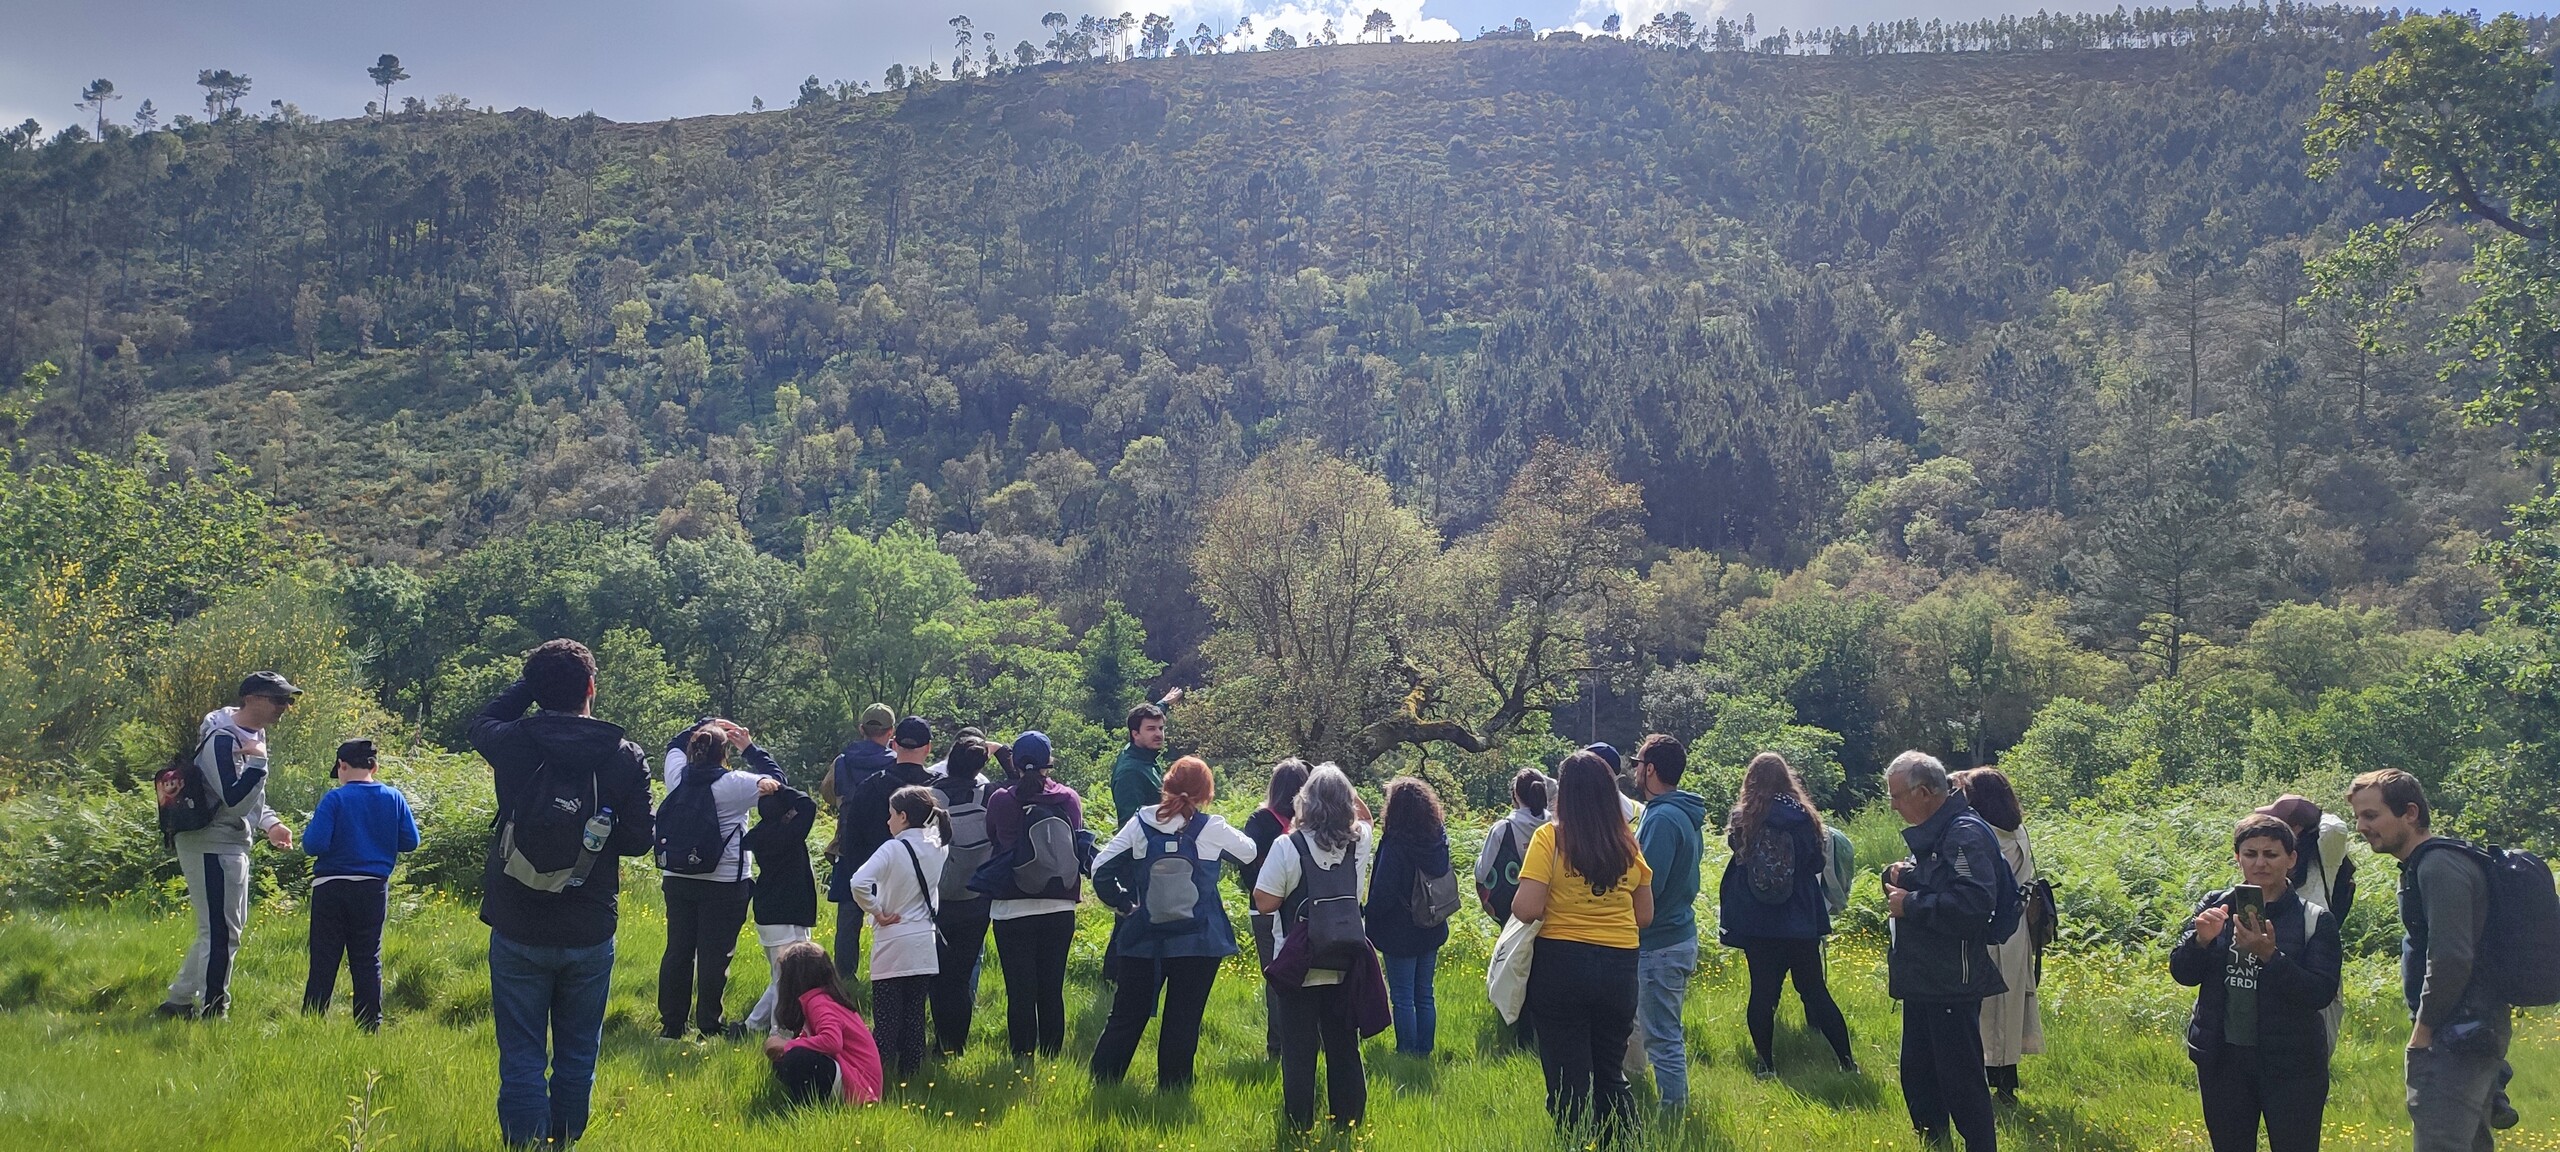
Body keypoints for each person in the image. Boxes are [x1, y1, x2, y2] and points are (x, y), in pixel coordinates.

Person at [469, 639, 655, 1148]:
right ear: (591, 686)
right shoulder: (623, 754)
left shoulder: (513, 741)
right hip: (588, 924)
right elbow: (639, 841)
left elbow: (481, 721)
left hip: (517, 921)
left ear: (536, 690)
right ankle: (564, 1142)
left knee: (521, 1055)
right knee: (577, 1054)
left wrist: (530, 686)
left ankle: (526, 1145)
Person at [2350, 768, 2518, 1150]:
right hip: (2469, 1027)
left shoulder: (2438, 865)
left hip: (2455, 1034)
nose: (2361, 827)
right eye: (2358, 817)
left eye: (2371, 815)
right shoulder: (2434, 861)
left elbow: (2451, 958)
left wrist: (2423, 1031)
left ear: (2410, 813)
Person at [2170, 813, 2345, 1152]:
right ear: (2238, 858)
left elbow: (2319, 993)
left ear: (2291, 859)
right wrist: (2200, 941)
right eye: (2250, 854)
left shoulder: (2314, 919)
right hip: (2223, 1060)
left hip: (2292, 1064)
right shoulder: (2216, 905)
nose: (2260, 863)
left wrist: (2270, 956)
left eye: (2271, 854)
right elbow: (2183, 973)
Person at [1512, 749, 1655, 1139]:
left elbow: (1526, 908)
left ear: (1565, 793)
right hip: (1619, 967)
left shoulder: (1550, 838)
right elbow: (1644, 916)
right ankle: (1622, 1143)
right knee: (1611, 1072)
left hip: (1562, 964)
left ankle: (1575, 1142)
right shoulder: (1629, 846)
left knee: (1568, 1078)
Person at [1091, 755, 1257, 1089]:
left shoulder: (1140, 822)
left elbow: (1100, 870)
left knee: (1126, 1015)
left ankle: (1104, 1084)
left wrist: (1124, 903)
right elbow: (1250, 852)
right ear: (1206, 792)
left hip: (1144, 935)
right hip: (1199, 939)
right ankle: (1173, 1089)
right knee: (1184, 1019)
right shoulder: (1212, 828)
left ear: (1165, 785)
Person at [156, 671, 301, 1021]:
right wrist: (259, 763)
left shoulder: (253, 735)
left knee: (222, 929)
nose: (284, 706)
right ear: (251, 698)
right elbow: (234, 800)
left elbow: (249, 798)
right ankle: (213, 1011)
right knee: (222, 933)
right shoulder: (223, 738)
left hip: (227, 842)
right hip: (212, 843)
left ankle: (178, 1002)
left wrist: (270, 823)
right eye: (278, 699)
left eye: (288, 700)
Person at [1882, 750, 2006, 1152]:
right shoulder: (1940, 828)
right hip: (1927, 976)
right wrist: (1905, 876)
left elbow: (1973, 903)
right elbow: (1941, 878)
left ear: (1923, 792)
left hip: (1952, 979)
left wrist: (1911, 904)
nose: (1893, 806)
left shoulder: (1963, 832)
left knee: (1961, 1083)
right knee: (1919, 1077)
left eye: (1896, 796)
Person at [1718, 752, 1856, 1078]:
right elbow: (1816, 863)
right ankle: (1848, 1062)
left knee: (1763, 994)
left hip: (1758, 921)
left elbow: (1737, 856)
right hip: (1799, 920)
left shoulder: (1744, 817)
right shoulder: (1804, 816)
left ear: (1751, 780)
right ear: (1786, 779)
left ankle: (1766, 1065)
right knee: (1815, 991)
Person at [1253, 763, 1374, 1131]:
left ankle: (1299, 1124)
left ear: (1304, 801)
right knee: (1344, 1045)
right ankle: (1348, 1121)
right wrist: (1342, 786)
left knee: (1298, 1050)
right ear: (1347, 803)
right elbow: (1366, 817)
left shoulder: (1287, 846)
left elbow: (1264, 902)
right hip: (1346, 956)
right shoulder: (1360, 841)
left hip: (1298, 962)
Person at [657, 721, 783, 1041]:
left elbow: (674, 744)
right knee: (714, 956)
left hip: (677, 876)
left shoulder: (676, 776)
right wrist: (749, 748)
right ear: (724, 753)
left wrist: (704, 723)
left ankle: (672, 1026)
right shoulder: (735, 784)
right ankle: (709, 1027)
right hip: (725, 881)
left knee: (677, 951)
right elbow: (779, 784)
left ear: (692, 748)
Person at [975, 731, 1091, 1058]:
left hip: (1012, 906)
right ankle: (1052, 1057)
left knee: (1020, 990)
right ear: (1048, 761)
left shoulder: (1001, 799)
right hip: (1060, 903)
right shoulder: (1068, 798)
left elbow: (993, 836)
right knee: (1051, 988)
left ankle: (1022, 1057)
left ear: (1013, 761)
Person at [300, 738, 419, 1031]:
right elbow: (410, 842)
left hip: (330, 886)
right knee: (367, 958)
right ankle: (369, 1026)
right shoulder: (393, 797)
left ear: (341, 766)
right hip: (372, 888)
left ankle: (311, 1023)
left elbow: (314, 844)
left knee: (324, 957)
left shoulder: (335, 799)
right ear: (374, 767)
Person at [848, 784, 950, 1082]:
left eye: (891, 814)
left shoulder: (892, 848)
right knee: (915, 1016)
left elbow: (858, 882)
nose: (888, 820)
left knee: (887, 1019)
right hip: (924, 942)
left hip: (893, 940)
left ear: (903, 817)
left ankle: (875, 1077)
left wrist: (877, 911)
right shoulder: (939, 846)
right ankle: (911, 1075)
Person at [1955, 767, 2043, 1103]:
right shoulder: (2019, 832)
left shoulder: (1980, 836)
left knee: (1984, 1009)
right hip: (2016, 928)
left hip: (1988, 926)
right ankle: (2006, 1084)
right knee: (2008, 1007)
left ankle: (1982, 1080)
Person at [1630, 735, 1707, 1109]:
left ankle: (1674, 1112)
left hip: (1660, 942)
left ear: (1650, 770)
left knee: (1662, 1036)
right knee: (1655, 1029)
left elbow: (1650, 886)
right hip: (1675, 935)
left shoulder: (1662, 818)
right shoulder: (1679, 811)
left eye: (1638, 763)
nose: (1634, 770)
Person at [837, 716, 937, 976]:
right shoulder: (936, 788)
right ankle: (924, 981)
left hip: (874, 874)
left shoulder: (870, 786)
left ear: (894, 744)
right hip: (922, 881)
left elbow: (852, 838)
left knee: (849, 921)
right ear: (928, 748)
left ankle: (845, 980)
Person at [1364, 776, 1453, 1058]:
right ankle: (1424, 1051)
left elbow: (1384, 892)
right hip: (1432, 923)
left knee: (1403, 997)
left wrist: (1367, 913)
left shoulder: (1395, 844)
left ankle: (1406, 1052)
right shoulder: (1438, 839)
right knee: (1424, 993)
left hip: (1399, 931)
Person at [927, 735, 996, 1055]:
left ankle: (939, 1040)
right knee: (961, 974)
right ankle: (956, 1045)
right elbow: (1018, 780)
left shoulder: (932, 796)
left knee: (937, 974)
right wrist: (1002, 753)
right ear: (979, 767)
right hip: (977, 898)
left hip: (939, 898)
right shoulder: (990, 795)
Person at [742, 753, 820, 1037]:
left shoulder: (761, 834)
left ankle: (753, 1026)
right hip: (788, 911)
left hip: (769, 909)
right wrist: (780, 788)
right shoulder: (790, 834)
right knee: (788, 979)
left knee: (781, 976)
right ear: (786, 814)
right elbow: (807, 803)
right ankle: (779, 1034)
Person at [1239, 757, 1308, 1058]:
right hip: (1302, 910)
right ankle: (1309, 1040)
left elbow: (1246, 864)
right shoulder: (1312, 824)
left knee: (1275, 977)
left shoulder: (1258, 820)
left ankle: (1277, 1046)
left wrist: (1263, 890)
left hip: (1264, 910)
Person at [1478, 768, 1551, 1049]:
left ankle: (1516, 1027)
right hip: (1548, 908)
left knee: (1514, 964)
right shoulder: (1554, 825)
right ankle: (1540, 1031)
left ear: (1516, 795)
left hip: (1511, 910)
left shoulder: (1503, 828)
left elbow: (1483, 871)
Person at [764, 941, 886, 1107]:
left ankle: (808, 1105)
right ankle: (808, 1103)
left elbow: (832, 1041)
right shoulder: (820, 999)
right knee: (784, 1060)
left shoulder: (819, 1003)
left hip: (859, 1084)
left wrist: (787, 1045)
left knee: (796, 1058)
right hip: (858, 1079)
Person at [824, 702, 898, 968]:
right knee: (891, 913)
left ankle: (845, 975)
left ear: (861, 729)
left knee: (848, 915)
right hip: (888, 848)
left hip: (849, 846)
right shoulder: (896, 764)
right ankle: (887, 973)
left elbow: (828, 794)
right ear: (891, 732)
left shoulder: (842, 761)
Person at [2259, 793, 2357, 924]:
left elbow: (2335, 828)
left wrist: (2315, 814)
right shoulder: (2277, 853)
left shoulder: (2325, 855)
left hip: (2313, 928)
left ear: (2297, 827)